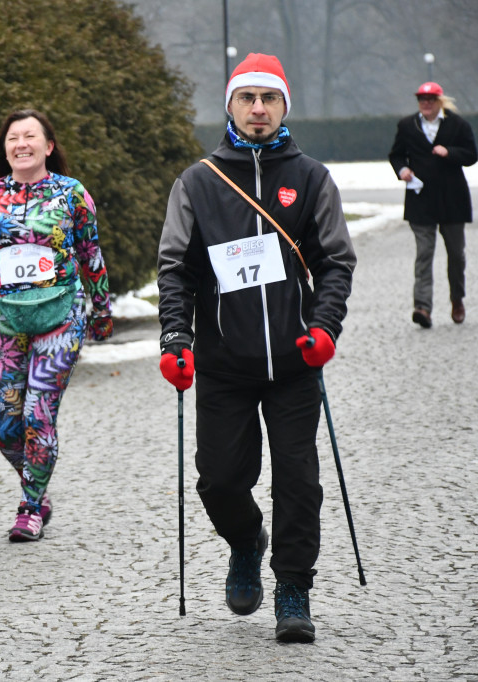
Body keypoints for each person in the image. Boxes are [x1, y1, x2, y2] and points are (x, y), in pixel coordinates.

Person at [157, 53, 356, 643]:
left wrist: (325, 328)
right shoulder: (197, 182)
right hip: (224, 364)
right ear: (231, 106)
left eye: (270, 98)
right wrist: (176, 338)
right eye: (248, 98)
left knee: (298, 478)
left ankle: (293, 589)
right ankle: (247, 541)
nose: (259, 109)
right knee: (219, 479)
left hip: (295, 362)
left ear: (284, 106)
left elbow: (336, 262)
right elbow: (175, 270)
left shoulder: (313, 177)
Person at [0, 109, 113, 542]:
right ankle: (35, 477)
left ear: (48, 146)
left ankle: (30, 505)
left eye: (30, 136)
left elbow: (91, 253)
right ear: (5, 148)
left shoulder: (71, 194)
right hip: (4, 321)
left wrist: (103, 310)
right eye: (13, 137)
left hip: (60, 317)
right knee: (6, 425)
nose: (21, 144)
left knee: (38, 414)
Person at [388, 81, 478, 328]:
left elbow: (472, 155)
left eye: (430, 99)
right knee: (424, 255)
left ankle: (457, 299)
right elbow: (396, 155)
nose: (425, 103)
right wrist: (403, 169)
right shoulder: (407, 125)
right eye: (421, 99)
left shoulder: (457, 124)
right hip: (421, 201)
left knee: (456, 255)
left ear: (440, 101)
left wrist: (449, 152)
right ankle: (422, 307)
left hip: (453, 200)